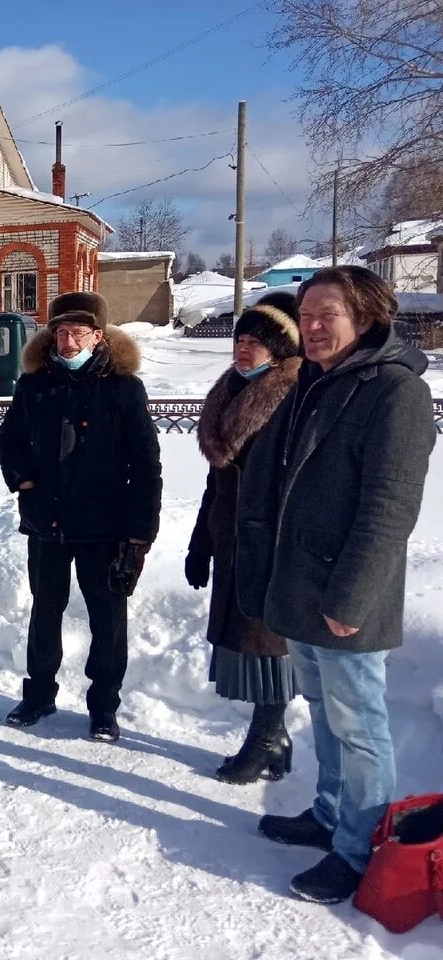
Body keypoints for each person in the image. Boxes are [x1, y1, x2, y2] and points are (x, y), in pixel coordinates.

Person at [237, 266, 435, 904]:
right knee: (324, 713)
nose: (314, 326)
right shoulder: (312, 384)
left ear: (368, 317)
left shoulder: (393, 392)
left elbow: (390, 506)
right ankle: (329, 815)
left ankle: (359, 849)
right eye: (308, 313)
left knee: (359, 725)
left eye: (330, 313)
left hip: (348, 597)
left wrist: (350, 598)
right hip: (300, 588)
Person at [0, 291, 162, 742]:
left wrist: (140, 535)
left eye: (78, 333)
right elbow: (8, 440)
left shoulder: (123, 388)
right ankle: (38, 695)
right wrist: (23, 479)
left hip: (104, 527)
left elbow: (146, 464)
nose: (68, 342)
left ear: (98, 336)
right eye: (61, 332)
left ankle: (104, 706)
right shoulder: (35, 383)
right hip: (46, 523)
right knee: (44, 612)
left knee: (107, 618)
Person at [185, 292, 301, 782]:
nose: (244, 348)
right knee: (249, 639)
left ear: (278, 349)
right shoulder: (231, 390)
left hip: (275, 541)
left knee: (269, 641)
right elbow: (218, 480)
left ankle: (269, 736)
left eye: (256, 341)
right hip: (233, 537)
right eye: (240, 339)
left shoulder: (293, 396)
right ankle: (273, 737)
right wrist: (200, 542)